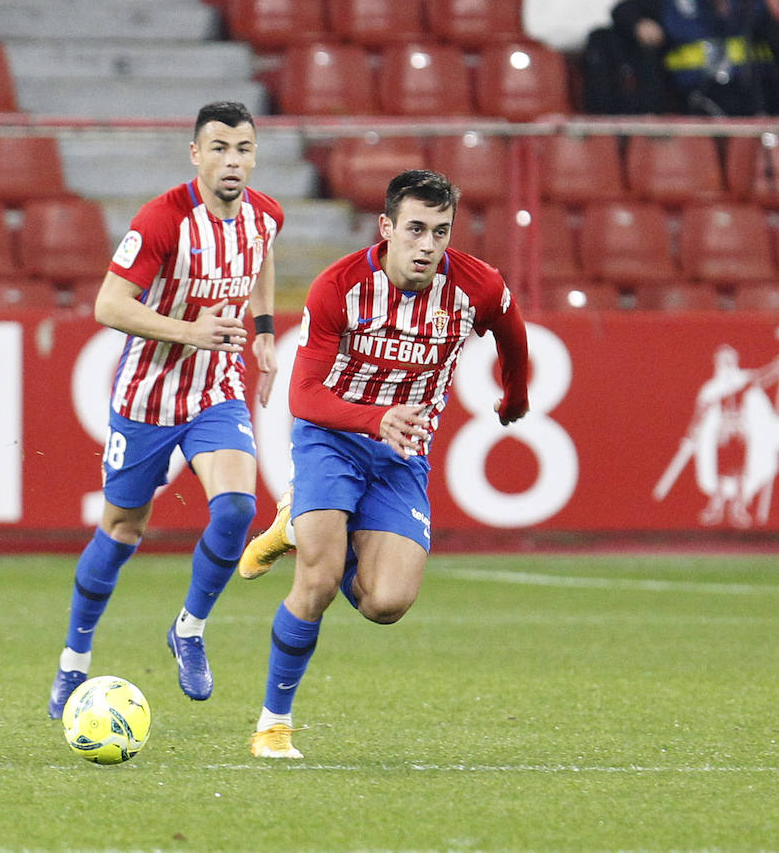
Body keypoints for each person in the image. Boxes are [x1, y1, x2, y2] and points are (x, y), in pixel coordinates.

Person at [237, 170, 529, 759]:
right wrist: (375, 418)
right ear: (387, 228)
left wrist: (515, 394)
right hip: (332, 438)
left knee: (386, 604)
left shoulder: (476, 286)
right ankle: (273, 723)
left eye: (440, 232)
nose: (427, 245)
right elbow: (305, 397)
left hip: (400, 459)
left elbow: (511, 329)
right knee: (316, 581)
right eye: (416, 229)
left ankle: (302, 526)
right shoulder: (338, 286)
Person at [46, 101, 283, 718]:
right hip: (148, 393)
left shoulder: (266, 217)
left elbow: (260, 264)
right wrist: (188, 331)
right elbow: (108, 306)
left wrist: (263, 331)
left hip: (215, 389)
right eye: (220, 149)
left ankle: (189, 630)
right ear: (195, 154)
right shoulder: (162, 219)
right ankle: (74, 660)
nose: (233, 161)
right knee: (122, 529)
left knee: (236, 508)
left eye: (244, 149)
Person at [590, 0, 779, 116]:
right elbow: (622, 11)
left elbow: (769, 30)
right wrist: (640, 23)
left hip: (747, 92)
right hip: (689, 94)